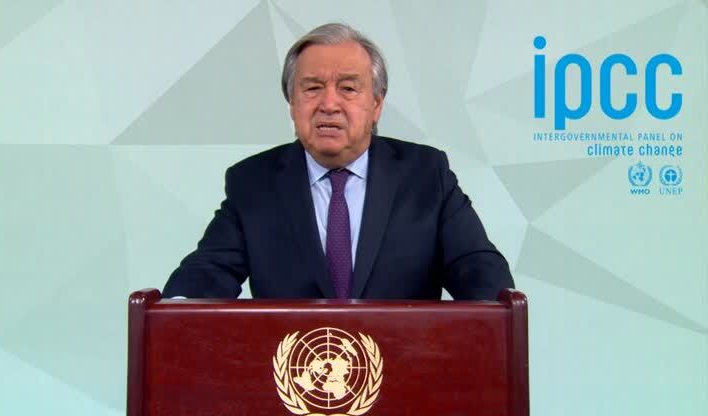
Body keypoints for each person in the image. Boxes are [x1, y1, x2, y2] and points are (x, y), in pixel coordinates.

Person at [163, 23, 513, 300]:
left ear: (376, 104)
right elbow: (210, 270)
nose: (329, 104)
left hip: (406, 363)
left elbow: (475, 264)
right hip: (295, 366)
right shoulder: (253, 182)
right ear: (292, 104)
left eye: (348, 88)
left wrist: (497, 312)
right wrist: (173, 313)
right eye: (312, 88)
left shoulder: (426, 174)